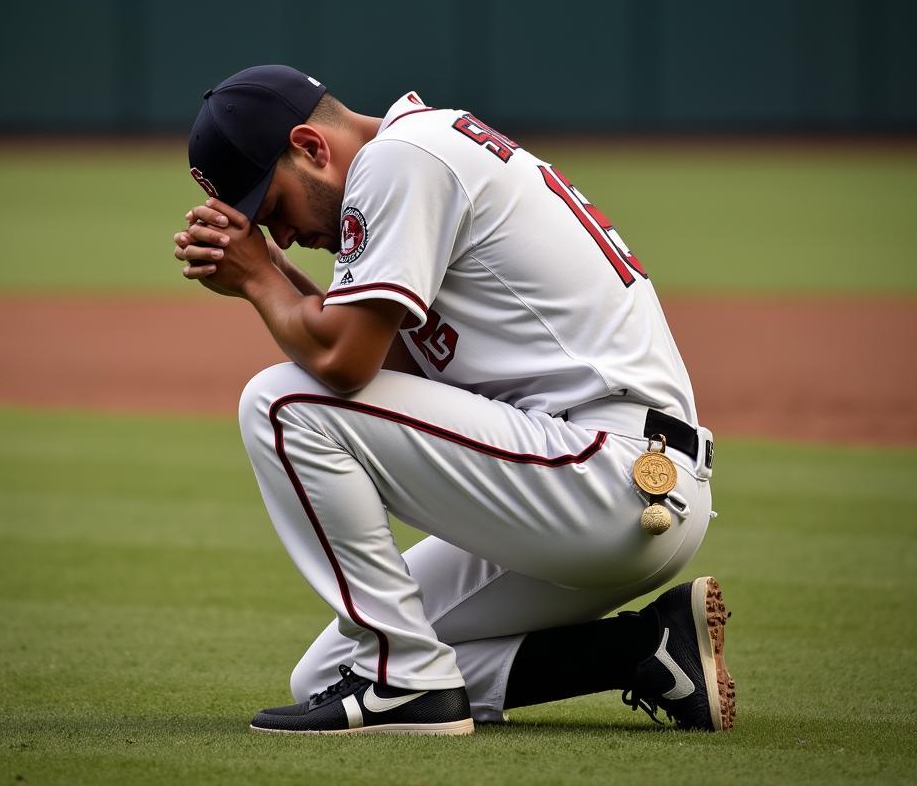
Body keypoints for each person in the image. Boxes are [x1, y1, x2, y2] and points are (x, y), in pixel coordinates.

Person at [173, 64, 734, 736]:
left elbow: (345, 366)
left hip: (609, 474)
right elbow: (391, 366)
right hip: (610, 487)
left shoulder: (399, 160)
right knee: (329, 673)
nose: (285, 236)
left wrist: (262, 279)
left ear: (312, 147)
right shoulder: (423, 151)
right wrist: (279, 278)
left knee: (281, 402)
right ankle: (646, 651)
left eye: (275, 208)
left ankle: (407, 684)